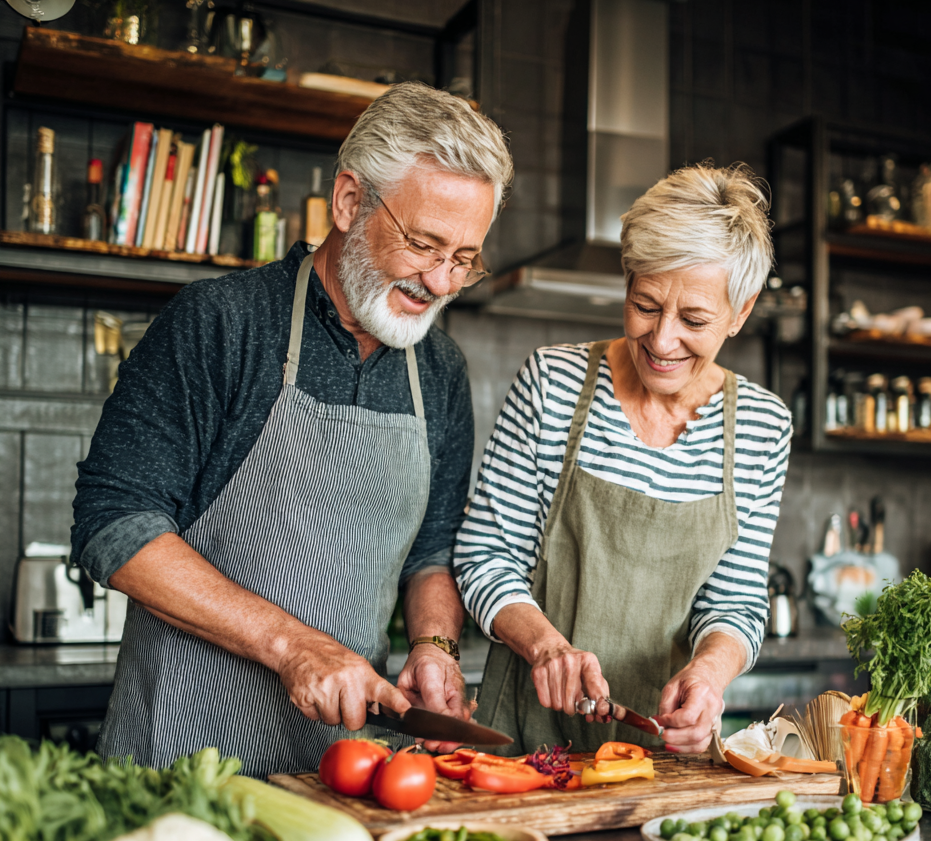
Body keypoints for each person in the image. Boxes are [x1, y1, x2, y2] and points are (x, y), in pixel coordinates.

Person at [72, 83, 514, 776]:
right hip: (183, 762)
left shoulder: (442, 371)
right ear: (348, 203)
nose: (440, 280)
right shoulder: (223, 322)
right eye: (424, 244)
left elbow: (433, 554)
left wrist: (436, 649)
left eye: (464, 257)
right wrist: (292, 646)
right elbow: (113, 522)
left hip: (343, 771)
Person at [454, 163, 791, 756]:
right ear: (627, 280)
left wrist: (709, 674)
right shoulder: (551, 382)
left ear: (740, 312)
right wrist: (546, 648)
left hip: (661, 753)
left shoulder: (763, 426)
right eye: (645, 305)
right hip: (523, 741)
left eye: (694, 320)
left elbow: (735, 600)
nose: (661, 342)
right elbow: (484, 555)